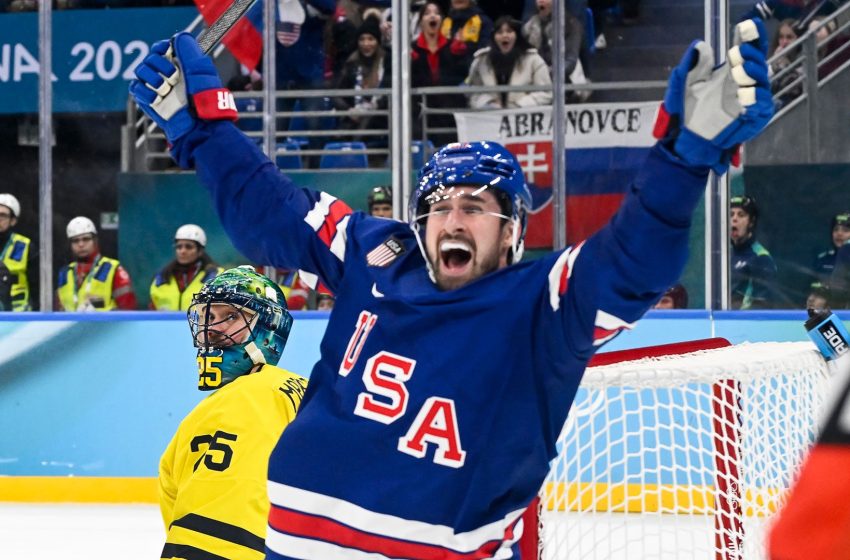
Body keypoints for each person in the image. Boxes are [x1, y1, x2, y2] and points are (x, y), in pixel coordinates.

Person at [130, 18, 773, 558]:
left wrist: (682, 163)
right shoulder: (375, 252)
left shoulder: (542, 304)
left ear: (513, 230)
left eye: (474, 206)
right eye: (437, 206)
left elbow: (633, 263)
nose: (452, 219)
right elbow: (271, 213)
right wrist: (205, 133)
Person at [159, 265, 307, 560]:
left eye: (230, 316)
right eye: (208, 316)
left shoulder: (236, 405)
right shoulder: (304, 390)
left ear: (268, 327)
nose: (212, 328)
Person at [466, 15, 553, 109]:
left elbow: (546, 92)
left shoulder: (534, 59)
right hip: (490, 119)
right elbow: (473, 91)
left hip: (522, 118)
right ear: (494, 37)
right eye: (499, 32)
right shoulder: (481, 60)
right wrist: (487, 103)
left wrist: (521, 105)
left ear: (517, 35)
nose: (505, 35)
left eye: (509, 31)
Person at [56, 216, 137, 311]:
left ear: (95, 241)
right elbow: (57, 310)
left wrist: (101, 314)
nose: (81, 244)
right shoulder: (65, 274)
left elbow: (129, 312)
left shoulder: (113, 269)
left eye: (86, 239)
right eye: (75, 241)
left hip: (105, 325)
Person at [522, 0, 588, 102]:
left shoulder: (572, 24)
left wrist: (547, 74)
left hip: (564, 78)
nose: (541, 1)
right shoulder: (529, 27)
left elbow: (570, 60)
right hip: (536, 77)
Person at [150, 224, 223, 311]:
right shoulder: (162, 278)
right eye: (179, 247)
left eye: (189, 247)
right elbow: (152, 308)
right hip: (165, 324)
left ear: (200, 251)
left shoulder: (216, 276)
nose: (182, 251)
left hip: (200, 324)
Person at [730, 195, 778, 309]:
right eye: (731, 214)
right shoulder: (726, 255)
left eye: (741, 215)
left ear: (751, 222)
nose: (734, 219)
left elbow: (762, 306)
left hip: (743, 324)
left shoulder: (761, 258)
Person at [0, 193, 34, 311]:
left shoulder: (25, 246)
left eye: (2, 215)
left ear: (13, 220)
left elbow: (36, 286)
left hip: (18, 319)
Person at [769, 19, 802, 109]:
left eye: (789, 37)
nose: (784, 42)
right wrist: (774, 65)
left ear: (799, 38)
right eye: (781, 37)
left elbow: (795, 90)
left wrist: (785, 66)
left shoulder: (804, 59)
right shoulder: (773, 61)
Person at [812, 211, 850, 282]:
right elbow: (812, 285)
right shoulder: (822, 259)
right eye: (836, 229)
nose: (839, 233)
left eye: (845, 230)